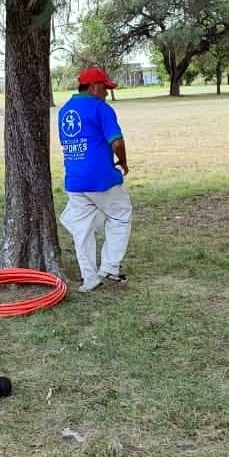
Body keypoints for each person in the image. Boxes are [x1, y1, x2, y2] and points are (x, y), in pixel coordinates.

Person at [57, 67, 134, 293]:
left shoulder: (65, 110)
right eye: (105, 88)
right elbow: (117, 142)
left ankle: (89, 278)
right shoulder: (101, 108)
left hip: (74, 179)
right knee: (120, 214)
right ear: (94, 87)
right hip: (101, 178)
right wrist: (124, 162)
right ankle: (110, 267)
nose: (107, 94)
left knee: (82, 229)